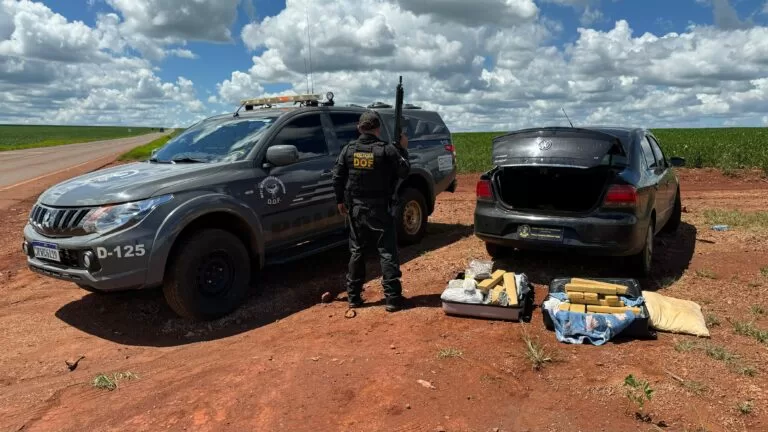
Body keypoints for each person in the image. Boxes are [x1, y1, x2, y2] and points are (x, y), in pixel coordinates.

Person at [332, 111, 411, 312]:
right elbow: (404, 171)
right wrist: (402, 149)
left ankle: (353, 297)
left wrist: (340, 200)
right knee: (386, 251)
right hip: (380, 209)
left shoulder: (349, 149)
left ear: (360, 128)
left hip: (357, 209)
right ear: (377, 128)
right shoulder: (386, 150)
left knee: (357, 251)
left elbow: (337, 176)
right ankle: (392, 299)